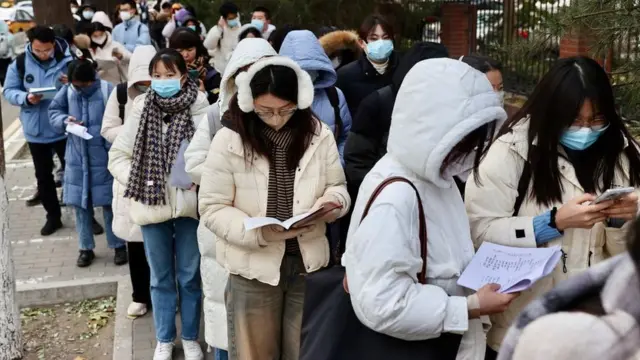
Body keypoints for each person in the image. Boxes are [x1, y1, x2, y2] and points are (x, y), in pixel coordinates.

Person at [464, 56, 640, 359]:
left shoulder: (625, 155)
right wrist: (552, 222)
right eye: (574, 119)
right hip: (524, 328)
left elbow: (628, 260)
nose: (585, 129)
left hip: (597, 333)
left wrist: (621, 222)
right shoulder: (512, 152)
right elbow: (477, 230)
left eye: (596, 119)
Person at [342, 57, 516, 360]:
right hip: (425, 347)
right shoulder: (398, 195)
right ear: (438, 131)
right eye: (466, 138)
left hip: (450, 344)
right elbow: (382, 303)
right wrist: (470, 306)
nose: (473, 149)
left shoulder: (435, 178)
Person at [198, 56, 350, 360]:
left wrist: (332, 204)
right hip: (252, 268)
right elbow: (212, 207)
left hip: (306, 265)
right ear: (249, 102)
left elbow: (338, 186)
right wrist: (256, 231)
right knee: (255, 354)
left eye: (285, 110)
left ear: (300, 101)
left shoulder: (318, 135)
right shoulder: (230, 139)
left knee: (304, 351)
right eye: (266, 110)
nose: (277, 119)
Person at [108, 48, 209, 360]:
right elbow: (117, 157)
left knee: (190, 277)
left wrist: (198, 177)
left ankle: (191, 337)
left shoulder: (201, 108)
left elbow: (214, 158)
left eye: (169, 74)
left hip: (190, 207)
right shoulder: (141, 108)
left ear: (183, 75)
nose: (163, 81)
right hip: (152, 207)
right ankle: (164, 338)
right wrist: (140, 178)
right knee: (161, 278)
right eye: (157, 75)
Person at [184, 37, 276, 360]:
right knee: (224, 318)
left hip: (267, 231)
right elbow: (192, 163)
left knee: (264, 329)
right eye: (245, 71)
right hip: (221, 233)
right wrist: (232, 173)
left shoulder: (284, 115)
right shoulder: (214, 116)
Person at [497, 218, 640, 360]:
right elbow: (485, 231)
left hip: (591, 310)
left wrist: (617, 222)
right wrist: (552, 222)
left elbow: (620, 250)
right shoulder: (558, 338)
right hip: (525, 311)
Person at [47, 59, 127, 268]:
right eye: (77, 85)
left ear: (93, 79)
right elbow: (53, 112)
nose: (81, 88)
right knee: (80, 206)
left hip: (105, 157)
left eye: (85, 84)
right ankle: (85, 248)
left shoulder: (107, 91)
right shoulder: (67, 91)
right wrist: (65, 121)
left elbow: (122, 120)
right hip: (76, 159)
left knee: (111, 203)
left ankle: (118, 245)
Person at [102, 45, 156, 317]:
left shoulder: (170, 94)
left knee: (162, 243)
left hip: (162, 177)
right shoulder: (121, 94)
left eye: (152, 82)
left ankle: (166, 294)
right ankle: (140, 296)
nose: (147, 88)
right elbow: (107, 128)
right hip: (130, 175)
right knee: (135, 243)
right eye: (142, 83)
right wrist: (134, 131)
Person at [4, 26, 73, 235]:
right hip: (37, 129)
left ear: (54, 44)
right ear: (30, 45)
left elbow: (88, 86)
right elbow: (8, 90)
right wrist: (25, 98)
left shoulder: (68, 61)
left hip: (64, 126)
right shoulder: (20, 63)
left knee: (73, 173)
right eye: (38, 50)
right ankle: (53, 216)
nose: (43, 54)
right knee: (43, 177)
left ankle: (82, 212)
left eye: (47, 50)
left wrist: (71, 83)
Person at [279, 30, 351, 165]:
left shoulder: (334, 96)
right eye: (298, 70)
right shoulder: (274, 98)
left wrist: (338, 164)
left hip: (328, 176)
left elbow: (345, 136)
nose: (305, 74)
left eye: (310, 68)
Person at [336, 14, 399, 117]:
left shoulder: (404, 69)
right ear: (362, 43)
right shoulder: (345, 76)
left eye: (386, 38)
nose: (381, 43)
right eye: (374, 39)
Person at [169, 28, 221, 105]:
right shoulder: (167, 72)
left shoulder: (211, 74)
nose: (185, 55)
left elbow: (219, 102)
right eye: (180, 51)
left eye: (190, 50)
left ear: (198, 49)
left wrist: (204, 93)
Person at [204, 1, 241, 75]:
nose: (234, 19)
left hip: (237, 69)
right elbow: (208, 46)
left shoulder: (242, 29)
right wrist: (219, 29)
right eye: (230, 18)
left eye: (235, 17)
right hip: (220, 70)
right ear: (224, 18)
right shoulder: (217, 29)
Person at [0, 21, 16, 86]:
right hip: (7, 60)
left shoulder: (3, 37)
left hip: (2, 59)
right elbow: (14, 48)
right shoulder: (10, 35)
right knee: (6, 77)